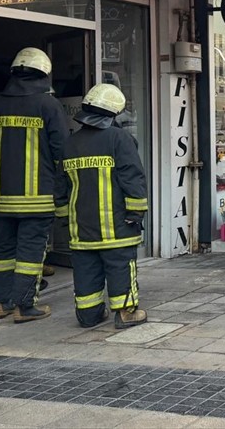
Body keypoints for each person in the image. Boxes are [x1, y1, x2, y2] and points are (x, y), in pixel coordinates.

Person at [0, 47, 68, 323]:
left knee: (2, 249)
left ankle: (1, 303)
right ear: (44, 74)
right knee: (30, 252)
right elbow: (62, 151)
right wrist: (65, 187)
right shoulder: (48, 106)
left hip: (1, 197)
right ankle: (24, 307)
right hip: (38, 198)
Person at [55, 84, 149, 329]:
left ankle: (89, 314)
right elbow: (133, 178)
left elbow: (61, 186)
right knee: (120, 267)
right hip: (116, 226)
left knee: (86, 270)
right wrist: (136, 212)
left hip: (81, 228)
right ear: (113, 112)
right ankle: (126, 312)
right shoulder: (119, 138)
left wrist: (66, 218)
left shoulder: (70, 143)